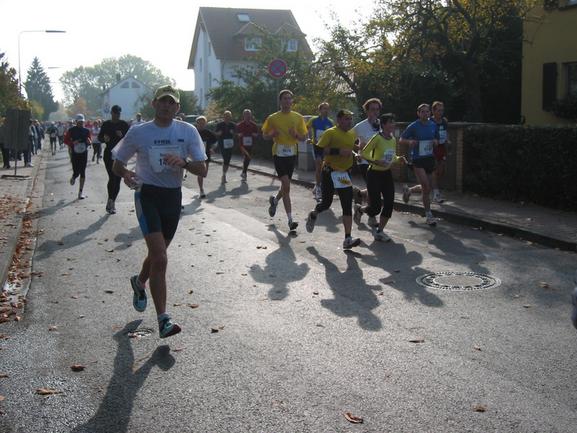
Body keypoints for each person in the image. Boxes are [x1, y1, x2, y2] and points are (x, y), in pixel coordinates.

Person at [112, 85, 207, 338]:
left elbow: (202, 169)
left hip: (172, 197)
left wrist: (184, 162)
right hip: (148, 195)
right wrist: (126, 174)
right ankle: (163, 319)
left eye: (171, 102)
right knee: (161, 257)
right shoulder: (139, 132)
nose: (166, 106)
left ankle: (139, 281)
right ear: (154, 104)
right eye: (162, 101)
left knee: (158, 254)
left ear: (177, 107)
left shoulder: (187, 131)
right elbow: (117, 164)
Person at [305, 110, 361, 249]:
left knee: (347, 204)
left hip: (344, 174)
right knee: (326, 203)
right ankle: (314, 214)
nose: (349, 121)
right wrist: (338, 151)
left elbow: (351, 148)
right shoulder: (330, 133)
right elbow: (319, 149)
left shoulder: (352, 134)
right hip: (330, 172)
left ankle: (348, 238)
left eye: (350, 119)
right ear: (339, 120)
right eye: (346, 119)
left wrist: (356, 154)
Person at [353, 113, 405, 241]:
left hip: (386, 174)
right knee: (375, 208)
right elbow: (364, 153)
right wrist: (376, 161)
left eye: (393, 122)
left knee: (389, 203)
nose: (393, 124)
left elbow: (391, 156)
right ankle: (360, 210)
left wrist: (398, 159)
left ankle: (380, 231)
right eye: (390, 122)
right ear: (383, 124)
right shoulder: (377, 138)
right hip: (374, 174)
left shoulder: (393, 139)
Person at [262, 89, 307, 231]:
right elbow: (264, 135)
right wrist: (272, 134)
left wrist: (296, 135)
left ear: (292, 101)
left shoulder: (298, 117)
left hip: (291, 154)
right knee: (286, 185)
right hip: (278, 154)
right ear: (280, 101)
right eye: (285, 98)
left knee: (285, 187)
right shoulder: (273, 118)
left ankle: (275, 201)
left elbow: (304, 138)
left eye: (289, 98)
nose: (287, 101)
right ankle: (290, 220)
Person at [399, 103, 439, 226]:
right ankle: (428, 215)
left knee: (427, 187)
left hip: (429, 158)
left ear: (430, 113)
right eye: (422, 111)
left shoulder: (433, 125)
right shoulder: (414, 126)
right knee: (426, 187)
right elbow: (401, 139)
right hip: (418, 159)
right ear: (418, 113)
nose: (425, 114)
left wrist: (435, 141)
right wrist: (410, 141)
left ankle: (409, 190)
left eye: (427, 111)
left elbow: (437, 139)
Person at [353, 98, 382, 226]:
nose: (375, 112)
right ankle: (372, 216)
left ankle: (360, 195)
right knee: (374, 189)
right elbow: (348, 141)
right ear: (367, 111)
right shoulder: (360, 126)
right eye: (372, 109)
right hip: (365, 162)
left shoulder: (382, 125)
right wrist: (357, 152)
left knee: (376, 188)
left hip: (379, 162)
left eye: (377, 109)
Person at [98, 105, 130, 214]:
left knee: (118, 179)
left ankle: (112, 201)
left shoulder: (124, 124)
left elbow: (129, 139)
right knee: (112, 177)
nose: (117, 115)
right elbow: (99, 137)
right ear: (111, 113)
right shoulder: (106, 124)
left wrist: (122, 136)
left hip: (121, 155)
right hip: (109, 154)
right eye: (115, 113)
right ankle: (110, 200)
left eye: (119, 113)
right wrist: (104, 138)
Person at [306, 102, 334, 201]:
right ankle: (318, 188)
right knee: (318, 166)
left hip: (326, 148)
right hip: (316, 146)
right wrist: (309, 138)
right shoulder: (314, 120)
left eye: (327, 109)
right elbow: (307, 128)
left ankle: (320, 185)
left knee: (325, 168)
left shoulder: (330, 122)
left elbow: (333, 134)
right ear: (320, 110)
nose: (326, 110)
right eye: (324, 108)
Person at [65, 114, 92, 199]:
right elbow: (65, 140)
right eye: (79, 122)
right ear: (76, 122)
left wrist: (89, 141)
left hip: (84, 153)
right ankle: (74, 177)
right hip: (75, 153)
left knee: (83, 172)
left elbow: (89, 140)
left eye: (82, 122)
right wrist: (72, 143)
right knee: (76, 172)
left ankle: (80, 192)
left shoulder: (86, 131)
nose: (81, 123)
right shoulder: (71, 130)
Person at [195, 116, 216, 198]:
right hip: (197, 155)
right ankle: (201, 190)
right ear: (197, 123)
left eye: (203, 123)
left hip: (206, 155)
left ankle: (201, 188)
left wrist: (212, 148)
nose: (201, 125)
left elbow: (215, 141)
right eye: (200, 123)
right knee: (201, 172)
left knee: (204, 173)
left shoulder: (208, 132)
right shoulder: (194, 132)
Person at [236, 109, 259, 182]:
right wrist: (239, 135)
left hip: (250, 144)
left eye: (249, 114)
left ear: (251, 115)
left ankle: (244, 172)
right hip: (242, 145)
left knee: (247, 158)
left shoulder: (254, 125)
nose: (247, 116)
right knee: (247, 157)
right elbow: (236, 134)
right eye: (246, 114)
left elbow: (257, 134)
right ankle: (244, 173)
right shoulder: (239, 125)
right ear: (243, 115)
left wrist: (254, 134)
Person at [215, 111, 236, 183]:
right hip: (222, 144)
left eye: (229, 116)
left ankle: (224, 175)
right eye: (226, 116)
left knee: (227, 160)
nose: (227, 117)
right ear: (224, 117)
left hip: (230, 144)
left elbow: (236, 134)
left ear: (230, 117)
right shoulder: (220, 124)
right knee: (225, 158)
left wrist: (233, 133)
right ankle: (223, 175)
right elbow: (215, 133)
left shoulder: (233, 125)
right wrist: (218, 133)